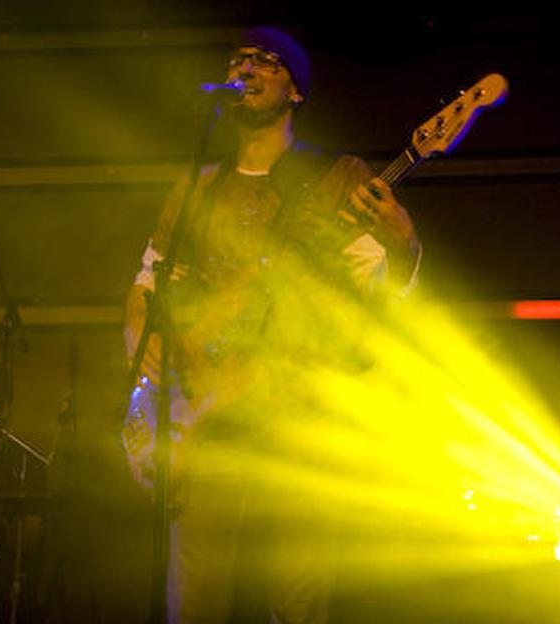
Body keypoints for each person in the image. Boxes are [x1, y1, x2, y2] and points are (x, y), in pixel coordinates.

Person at [123, 26, 421, 623]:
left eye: (266, 61)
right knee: (195, 600)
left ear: (296, 91)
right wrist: (142, 344)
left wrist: (405, 245)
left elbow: (377, 302)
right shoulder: (197, 185)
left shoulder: (339, 178)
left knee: (298, 601)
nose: (246, 68)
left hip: (300, 418)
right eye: (238, 59)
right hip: (205, 418)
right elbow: (148, 282)